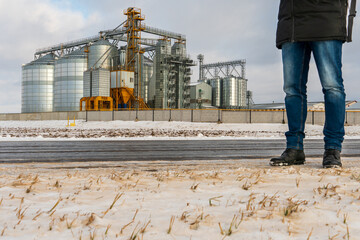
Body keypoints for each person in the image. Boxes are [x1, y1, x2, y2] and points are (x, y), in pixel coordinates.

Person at [270, 0, 357, 168]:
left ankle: (333, 148)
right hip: (292, 21)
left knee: (332, 87)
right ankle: (294, 147)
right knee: (292, 90)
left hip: (327, 17)